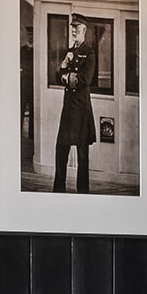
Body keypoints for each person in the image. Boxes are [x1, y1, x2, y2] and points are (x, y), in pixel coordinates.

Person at [51, 24, 97, 193]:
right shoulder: (70, 51)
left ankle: (83, 192)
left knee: (82, 154)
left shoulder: (89, 53)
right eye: (72, 29)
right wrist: (65, 63)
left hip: (81, 109)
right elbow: (57, 76)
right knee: (61, 149)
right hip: (69, 107)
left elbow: (85, 80)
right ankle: (58, 190)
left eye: (76, 29)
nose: (73, 32)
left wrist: (67, 77)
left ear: (83, 31)